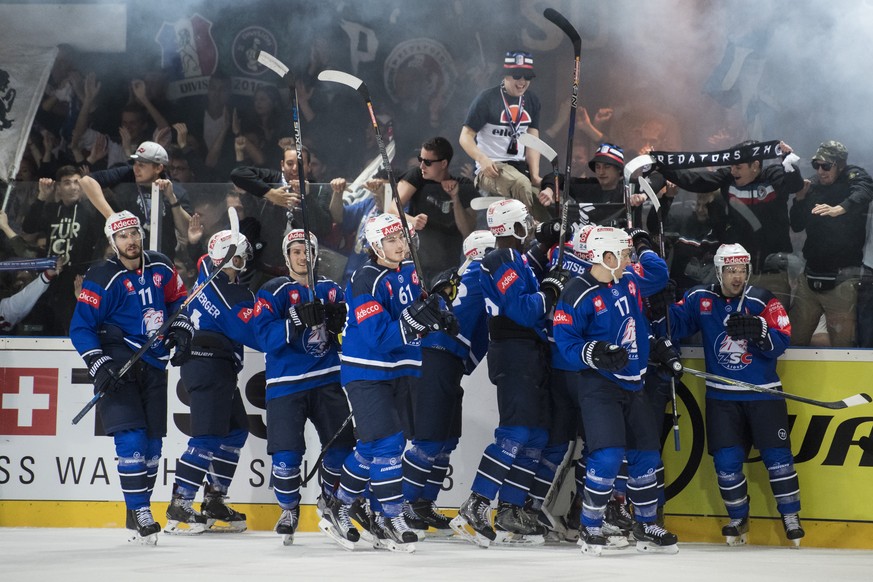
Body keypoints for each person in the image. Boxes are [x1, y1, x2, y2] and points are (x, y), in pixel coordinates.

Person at [660, 243, 804, 547]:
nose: (737, 277)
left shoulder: (762, 299)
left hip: (763, 395)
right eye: (730, 270)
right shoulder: (701, 298)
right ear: (719, 270)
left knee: (779, 461)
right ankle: (738, 518)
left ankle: (791, 517)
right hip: (722, 398)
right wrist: (664, 304)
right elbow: (675, 326)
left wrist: (760, 330)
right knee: (726, 463)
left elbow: (782, 339)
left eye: (741, 270)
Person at [330, 213, 457, 552]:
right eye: (391, 240)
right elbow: (379, 338)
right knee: (387, 445)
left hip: (402, 370)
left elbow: (417, 312)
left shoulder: (410, 272)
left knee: (375, 447)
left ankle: (340, 505)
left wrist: (438, 310)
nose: (401, 244)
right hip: (367, 371)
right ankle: (390, 516)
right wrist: (417, 318)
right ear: (375, 246)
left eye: (401, 237)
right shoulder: (364, 279)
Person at [551, 225, 679, 556]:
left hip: (634, 384)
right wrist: (593, 352)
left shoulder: (630, 281)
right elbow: (565, 341)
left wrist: (656, 347)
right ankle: (590, 525)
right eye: (624, 255)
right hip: (599, 385)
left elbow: (658, 277)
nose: (628, 260)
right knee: (607, 456)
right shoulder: (576, 292)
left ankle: (646, 523)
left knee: (646, 456)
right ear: (606, 258)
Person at [69, 211, 192, 545]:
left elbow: (179, 299)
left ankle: (137, 512)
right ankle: (140, 512)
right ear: (113, 242)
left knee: (153, 446)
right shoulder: (101, 277)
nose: (131, 241)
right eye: (123, 237)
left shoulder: (162, 267)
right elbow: (81, 327)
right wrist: (98, 363)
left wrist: (180, 327)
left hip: (153, 361)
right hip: (118, 361)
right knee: (132, 441)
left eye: (135, 233)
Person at [450, 199, 568, 547]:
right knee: (515, 433)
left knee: (534, 437)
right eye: (526, 221)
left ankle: (510, 510)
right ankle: (476, 504)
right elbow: (524, 310)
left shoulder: (515, 259)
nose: (531, 225)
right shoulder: (500, 259)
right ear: (515, 227)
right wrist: (552, 289)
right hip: (514, 352)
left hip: (528, 354)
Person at [251, 229, 355, 546]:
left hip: (327, 379)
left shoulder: (331, 290)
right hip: (286, 385)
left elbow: (350, 333)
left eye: (307, 250)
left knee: (341, 448)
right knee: (286, 457)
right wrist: (294, 318)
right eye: (295, 250)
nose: (301, 255)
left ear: (315, 255)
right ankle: (288, 508)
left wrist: (340, 322)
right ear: (287, 256)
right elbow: (263, 338)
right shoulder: (273, 291)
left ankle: (331, 503)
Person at [402, 229, 494, 536]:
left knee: (446, 440)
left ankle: (421, 504)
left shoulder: (461, 273)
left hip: (445, 359)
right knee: (429, 440)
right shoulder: (484, 273)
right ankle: (400, 504)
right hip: (437, 357)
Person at [164, 230, 257, 535]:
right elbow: (251, 332)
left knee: (235, 430)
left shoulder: (205, 268)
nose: (246, 261)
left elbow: (208, 254)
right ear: (234, 258)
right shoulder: (234, 295)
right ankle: (180, 502)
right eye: (242, 255)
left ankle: (214, 500)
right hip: (210, 364)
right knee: (206, 438)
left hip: (208, 365)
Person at [657, 140, 803, 308]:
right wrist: (663, 167)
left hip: (773, 271)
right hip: (739, 271)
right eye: (732, 166)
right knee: (739, 324)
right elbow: (697, 180)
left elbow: (795, 185)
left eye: (738, 167)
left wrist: (788, 161)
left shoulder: (773, 175)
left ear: (755, 165)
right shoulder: (728, 177)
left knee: (772, 323)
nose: (733, 171)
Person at [789, 141, 873, 347]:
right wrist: (799, 199)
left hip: (842, 280)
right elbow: (797, 225)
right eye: (816, 165)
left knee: (843, 348)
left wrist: (840, 209)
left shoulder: (853, 177)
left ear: (840, 165)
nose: (820, 171)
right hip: (810, 278)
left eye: (826, 166)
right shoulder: (813, 184)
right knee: (792, 342)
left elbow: (866, 190)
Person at [459, 51, 546, 221]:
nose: (522, 82)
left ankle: (544, 238)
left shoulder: (532, 100)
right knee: (521, 183)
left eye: (527, 77)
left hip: (519, 168)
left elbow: (533, 140)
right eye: (517, 76)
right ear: (505, 75)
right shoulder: (487, 98)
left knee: (545, 198)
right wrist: (482, 159)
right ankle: (527, 231)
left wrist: (535, 174)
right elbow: (465, 136)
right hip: (491, 169)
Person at [230, 144, 334, 280]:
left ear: (309, 166)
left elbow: (324, 228)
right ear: (282, 165)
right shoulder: (272, 179)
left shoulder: (319, 189)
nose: (295, 169)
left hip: (303, 270)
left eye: (300, 164)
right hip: (265, 266)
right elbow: (237, 174)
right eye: (290, 164)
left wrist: (307, 198)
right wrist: (271, 193)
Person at [21, 166, 103, 334]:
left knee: (72, 324)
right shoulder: (52, 210)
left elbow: (103, 236)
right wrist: (42, 197)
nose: (73, 187)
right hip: (51, 277)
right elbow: (28, 227)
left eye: (77, 182)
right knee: (47, 324)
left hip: (77, 279)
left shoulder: (89, 211)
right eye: (67, 183)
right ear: (58, 188)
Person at [78, 140, 192, 260]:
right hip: (127, 259)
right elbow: (86, 181)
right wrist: (112, 217)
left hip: (160, 260)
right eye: (135, 163)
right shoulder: (128, 174)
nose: (136, 169)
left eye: (142, 165)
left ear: (158, 168)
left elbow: (187, 232)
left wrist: (172, 198)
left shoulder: (176, 191)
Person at [391, 136, 478, 283]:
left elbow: (468, 231)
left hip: (447, 268)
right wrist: (412, 220)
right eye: (421, 159)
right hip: (415, 265)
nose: (422, 166)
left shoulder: (464, 185)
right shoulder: (417, 176)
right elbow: (392, 210)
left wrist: (455, 199)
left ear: (443, 163)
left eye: (428, 162)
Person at [538, 143, 649, 228]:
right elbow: (556, 176)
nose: (601, 172)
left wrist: (642, 195)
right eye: (598, 167)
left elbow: (657, 180)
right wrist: (549, 189)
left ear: (619, 170)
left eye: (607, 167)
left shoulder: (631, 187)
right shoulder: (588, 187)